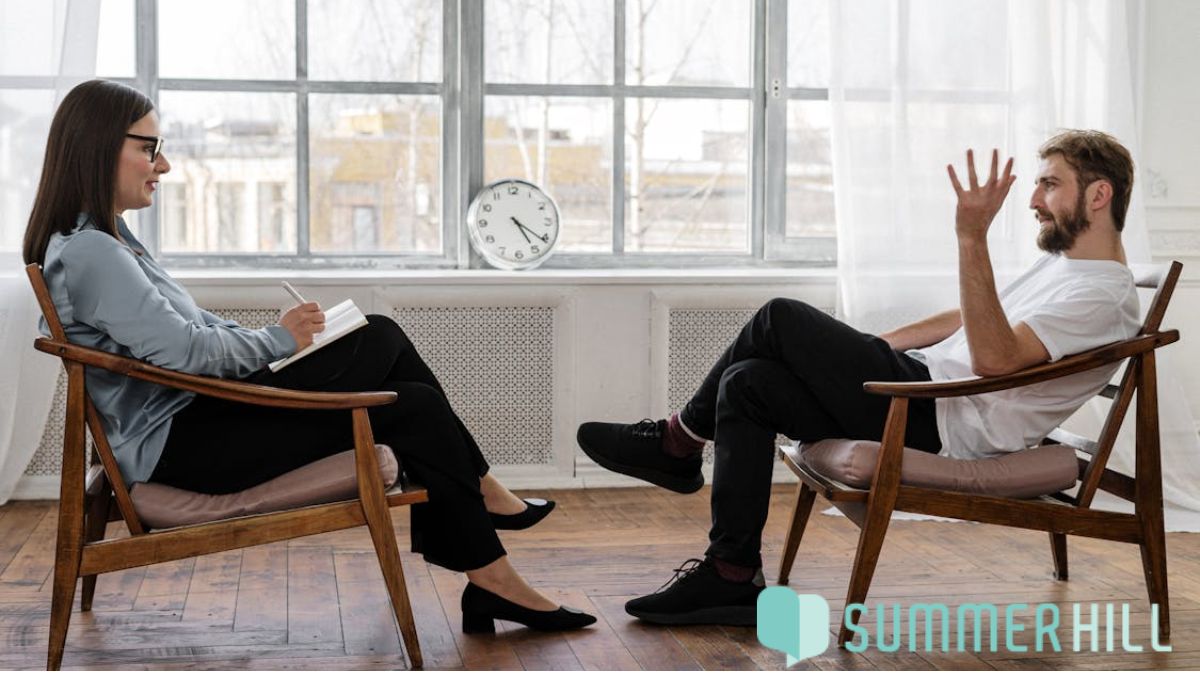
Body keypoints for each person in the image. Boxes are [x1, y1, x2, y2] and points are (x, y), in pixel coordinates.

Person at [24, 79, 594, 634]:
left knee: (394, 364)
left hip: (196, 423)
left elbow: (192, 329)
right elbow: (184, 351)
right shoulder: (94, 252)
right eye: (150, 149)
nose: (164, 165)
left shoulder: (109, 241)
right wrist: (279, 341)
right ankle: (486, 519)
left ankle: (491, 568)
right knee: (392, 361)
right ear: (100, 147)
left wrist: (280, 339)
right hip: (185, 446)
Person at [578, 130, 1141, 626]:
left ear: (1098, 195)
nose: (1034, 200)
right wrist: (871, 348)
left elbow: (994, 359)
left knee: (780, 316)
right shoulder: (1066, 268)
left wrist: (971, 238)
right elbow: (970, 318)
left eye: (1049, 184)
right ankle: (732, 573)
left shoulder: (1102, 296)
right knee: (747, 381)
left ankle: (677, 442)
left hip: (939, 420)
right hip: (923, 391)